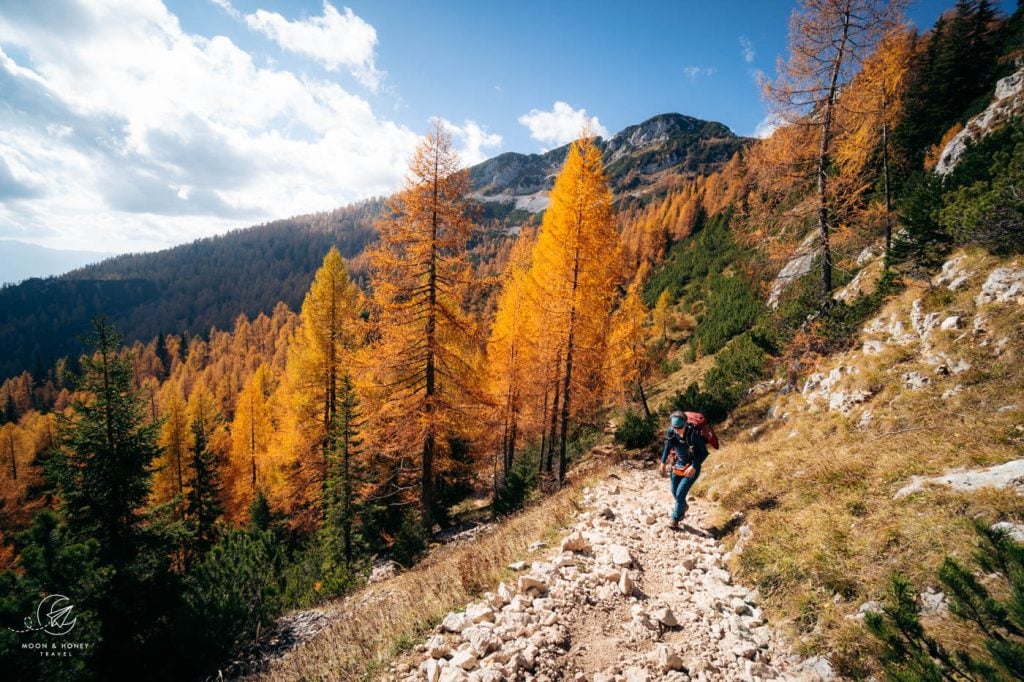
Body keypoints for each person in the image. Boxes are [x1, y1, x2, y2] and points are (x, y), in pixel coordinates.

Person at [659, 411, 709, 529]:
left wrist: (694, 466)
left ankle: (675, 519)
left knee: (680, 494)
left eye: (679, 427)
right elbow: (668, 446)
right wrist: (662, 462)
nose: (676, 430)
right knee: (674, 491)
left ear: (685, 424)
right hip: (677, 464)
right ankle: (683, 506)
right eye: (674, 427)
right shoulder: (672, 431)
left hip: (691, 467)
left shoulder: (693, 435)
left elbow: (704, 453)